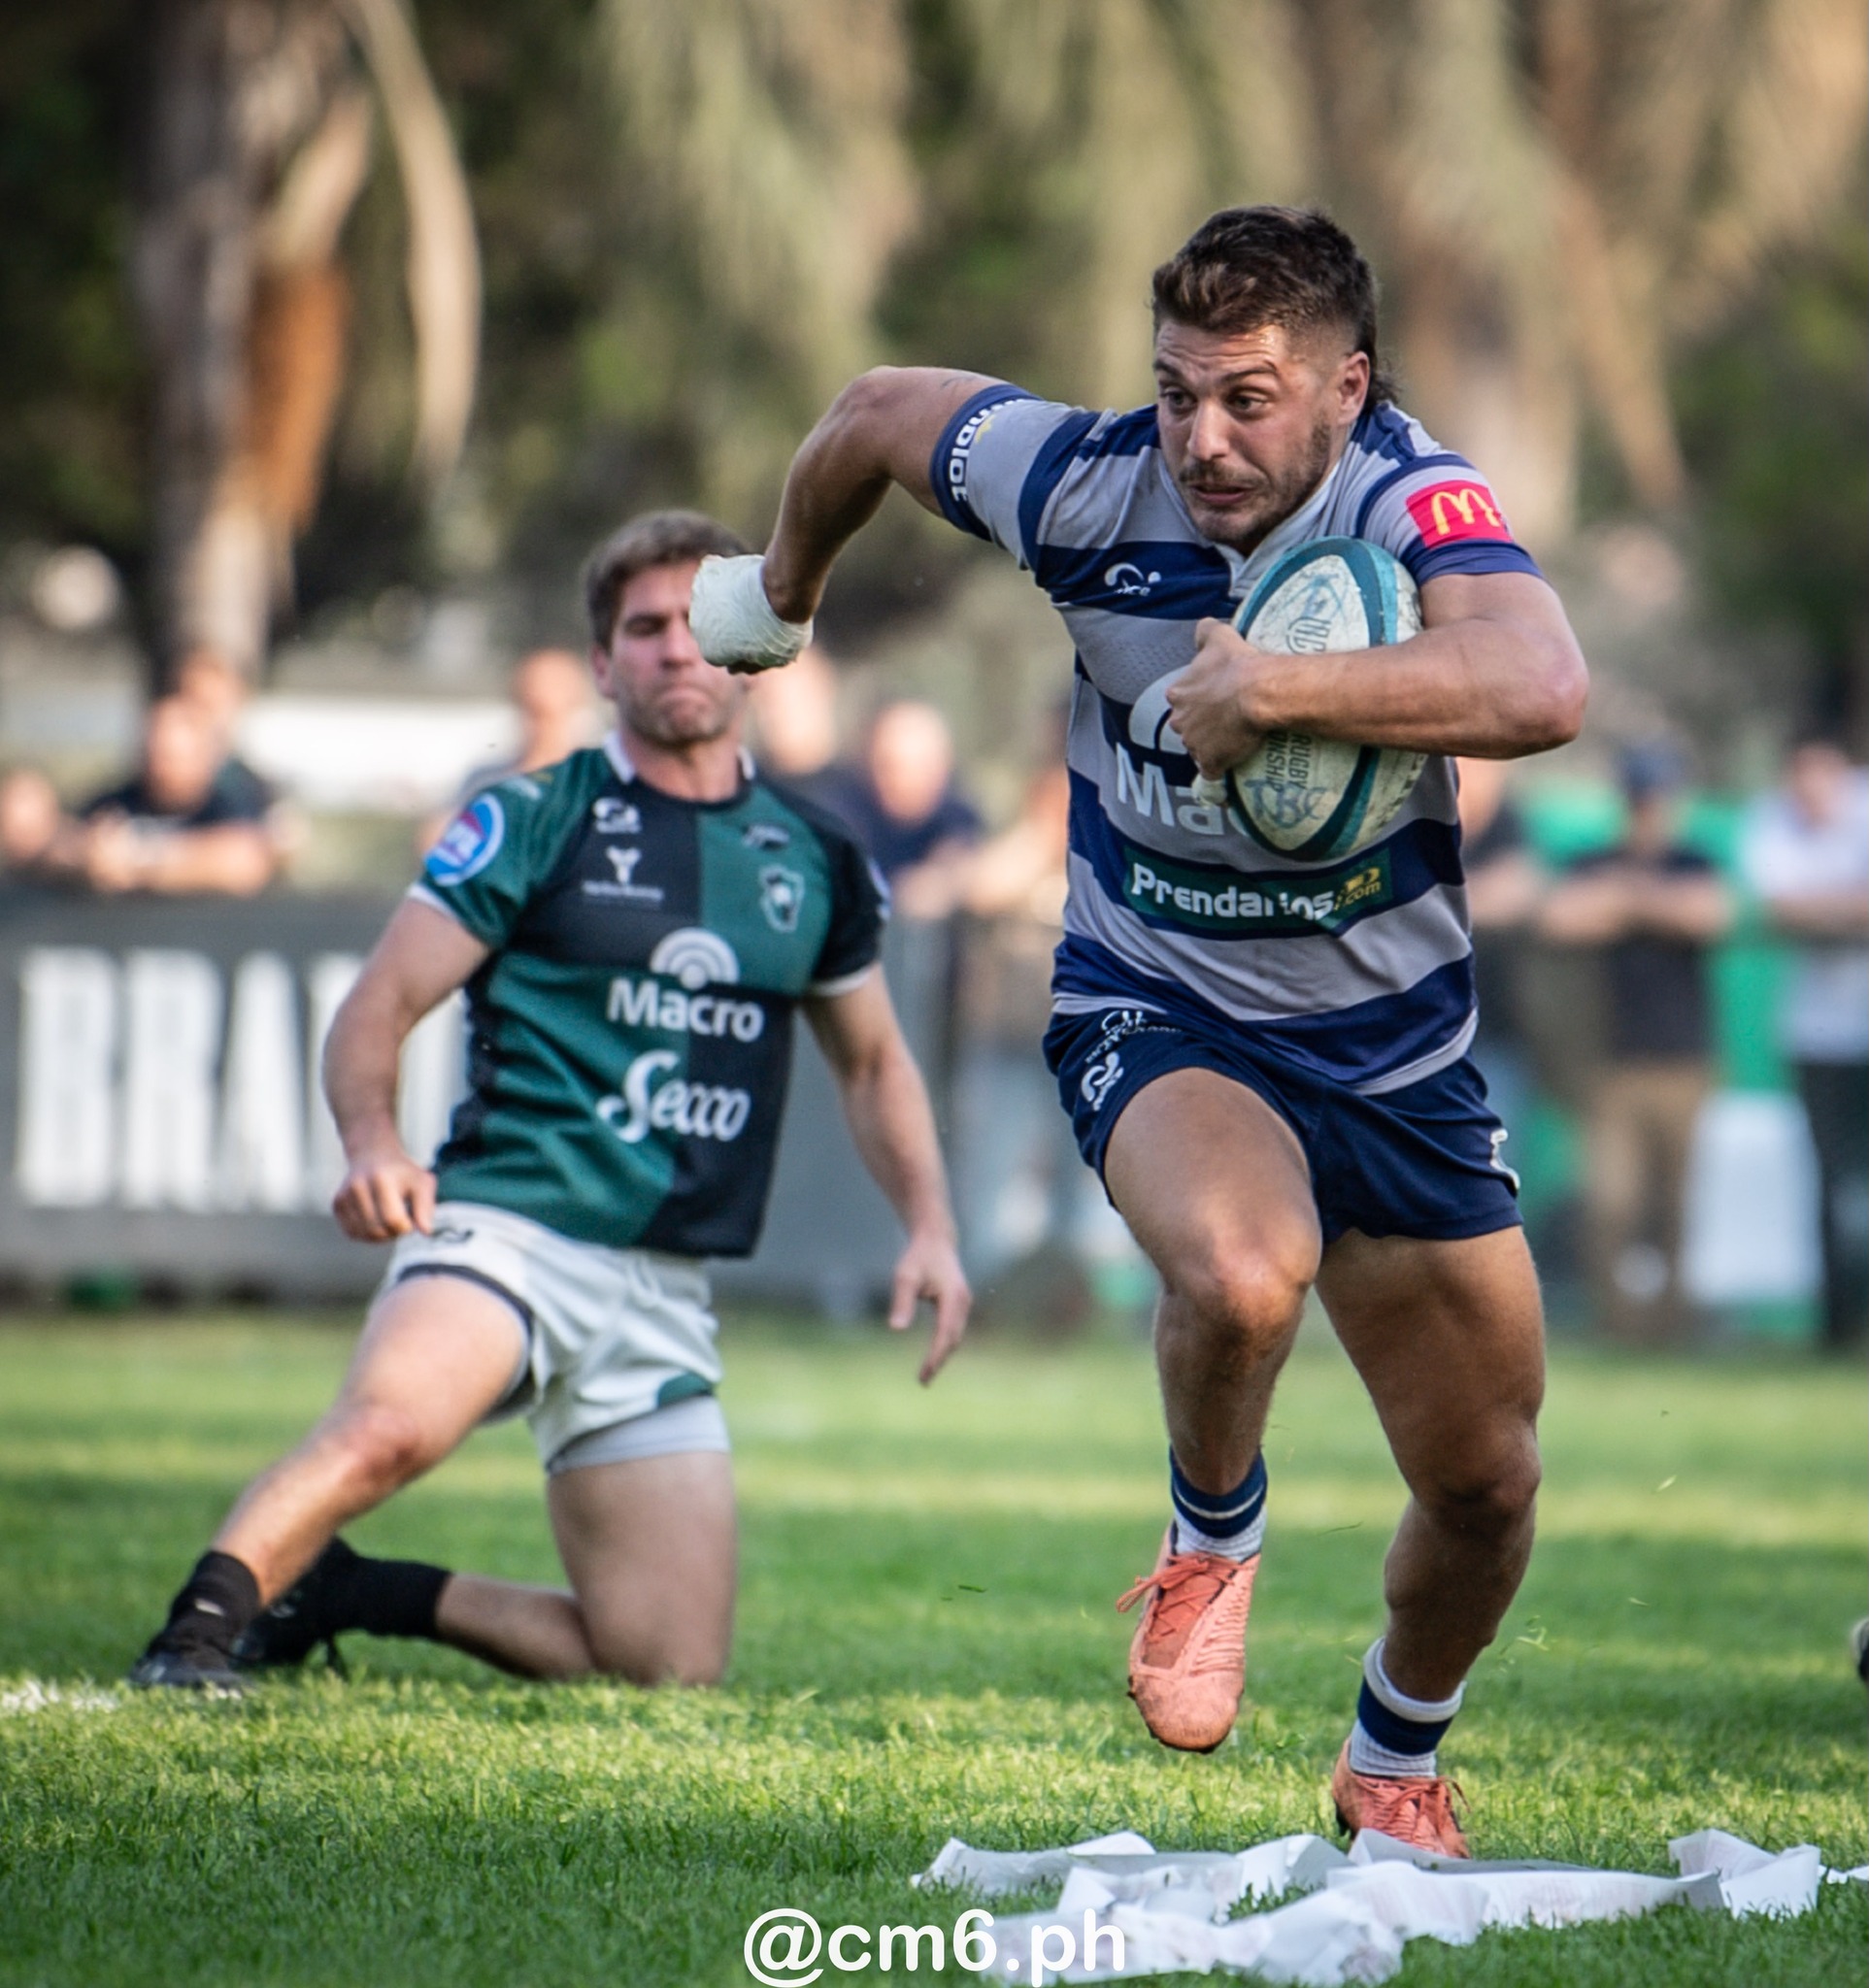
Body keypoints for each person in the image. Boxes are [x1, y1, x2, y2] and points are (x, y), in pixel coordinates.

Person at [689, 206, 1588, 1854]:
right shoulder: (1085, 481)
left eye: (1248, 399)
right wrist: (777, 593)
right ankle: (1211, 1534)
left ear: (1349, 389)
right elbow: (875, 415)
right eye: (1177, 393)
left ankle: (1391, 1753)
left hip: (1394, 1051)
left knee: (1487, 1485)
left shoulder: (1412, 495)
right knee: (1243, 1273)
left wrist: (1278, 692)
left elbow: (1541, 686)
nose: (1202, 438)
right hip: (1157, 997)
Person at [128, 509, 970, 1694]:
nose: (673, 648)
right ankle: (194, 1635)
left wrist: (929, 1225)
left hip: (662, 1282)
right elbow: (376, 1006)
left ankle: (352, 1591)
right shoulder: (533, 816)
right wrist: (371, 1141)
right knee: (391, 1427)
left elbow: (874, 1063)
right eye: (643, 628)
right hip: (510, 1230)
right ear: (602, 665)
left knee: (667, 1663)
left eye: (697, 624)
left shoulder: (816, 857)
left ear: (754, 651)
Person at [1539, 745, 1734, 1343]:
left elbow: (1709, 917)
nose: (1650, 810)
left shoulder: (1694, 860)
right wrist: (1655, 902)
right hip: (1609, 1061)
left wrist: (1623, 899)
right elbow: (1561, 919)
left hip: (1684, 1061)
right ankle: (1619, 1327)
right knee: (1611, 1205)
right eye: (1642, 798)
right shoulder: (1590, 859)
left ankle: (1672, 1329)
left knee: (1677, 1205)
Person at [1739, 734, 1869, 1350]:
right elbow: (1780, 908)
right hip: (1818, 1035)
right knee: (1832, 1182)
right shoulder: (1772, 822)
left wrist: (1822, 911)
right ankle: (1837, 1326)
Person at [0, 692, 281, 895]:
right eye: (152, 753)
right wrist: (84, 858)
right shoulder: (119, 801)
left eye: (171, 757)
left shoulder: (228, 803)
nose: (158, 767)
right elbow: (65, 841)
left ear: (204, 757)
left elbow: (246, 859)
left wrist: (141, 865)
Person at [420, 647, 601, 850]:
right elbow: (434, 842)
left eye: (544, 714)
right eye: (527, 708)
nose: (536, 725)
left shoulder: (595, 782)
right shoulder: (486, 778)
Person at [818, 699, 984, 917]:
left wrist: (950, 878)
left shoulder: (958, 814)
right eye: (891, 765)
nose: (905, 781)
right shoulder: (841, 819)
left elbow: (968, 854)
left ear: (944, 766)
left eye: (922, 767)